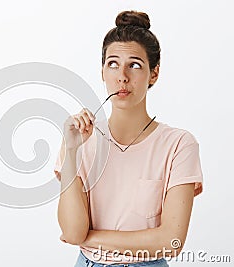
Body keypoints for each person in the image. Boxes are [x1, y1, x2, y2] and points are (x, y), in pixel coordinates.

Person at [54, 10, 203, 266]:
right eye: (112, 64)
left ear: (154, 74)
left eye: (134, 65)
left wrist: (92, 239)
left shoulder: (179, 145)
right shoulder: (79, 139)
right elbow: (72, 232)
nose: (122, 76)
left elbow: (172, 242)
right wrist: (70, 151)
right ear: (102, 71)